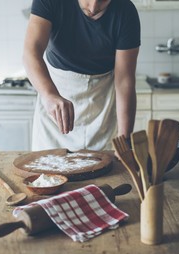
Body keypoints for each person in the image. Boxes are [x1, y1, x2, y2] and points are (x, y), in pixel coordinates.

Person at [23, 0, 140, 151]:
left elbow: (124, 81)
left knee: (103, 172)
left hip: (101, 108)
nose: (93, 7)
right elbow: (31, 52)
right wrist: (49, 94)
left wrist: (125, 140)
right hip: (55, 97)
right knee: (50, 170)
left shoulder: (125, 11)